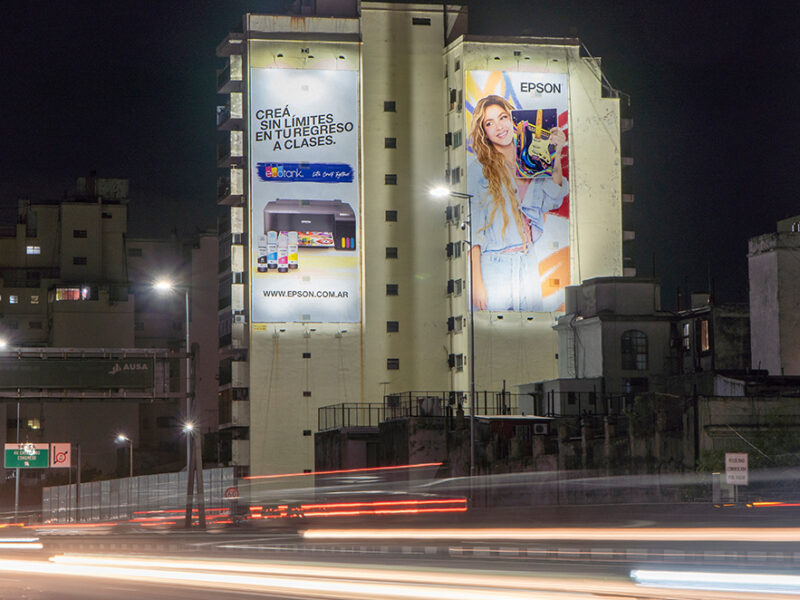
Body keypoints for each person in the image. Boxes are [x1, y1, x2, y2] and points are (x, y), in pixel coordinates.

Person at [466, 94, 568, 311]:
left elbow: (553, 199)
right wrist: (476, 282)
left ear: (513, 119)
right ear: (484, 131)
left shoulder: (532, 160)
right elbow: (473, 230)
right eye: (489, 123)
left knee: (532, 329)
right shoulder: (478, 170)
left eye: (502, 117)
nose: (499, 127)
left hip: (527, 261)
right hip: (494, 266)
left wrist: (555, 155)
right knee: (493, 330)